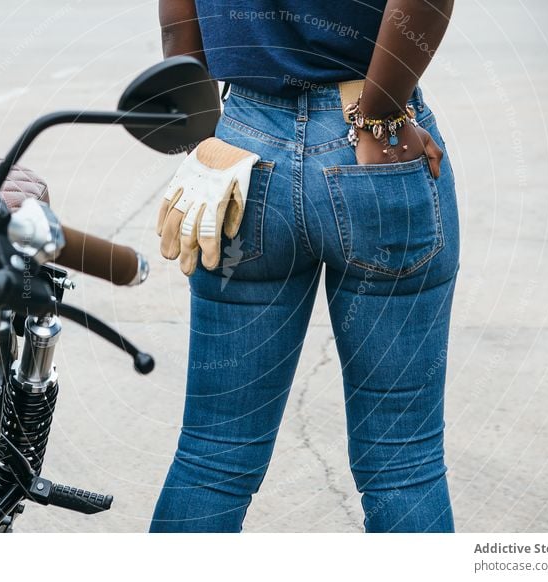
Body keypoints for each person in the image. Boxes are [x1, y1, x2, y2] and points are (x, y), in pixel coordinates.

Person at [150, 0, 459, 532]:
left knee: (214, 453)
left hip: (242, 146)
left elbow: (178, 21)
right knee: (402, 463)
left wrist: (205, 134)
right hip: (370, 127)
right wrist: (383, 115)